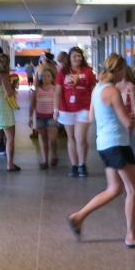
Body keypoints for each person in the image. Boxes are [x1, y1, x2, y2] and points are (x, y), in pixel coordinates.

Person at [66, 54, 135, 248]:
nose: (125, 74)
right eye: (124, 70)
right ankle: (132, 235)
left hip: (104, 143)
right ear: (118, 70)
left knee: (115, 189)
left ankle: (78, 217)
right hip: (117, 144)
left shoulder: (97, 89)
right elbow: (127, 122)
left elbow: (93, 116)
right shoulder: (112, 91)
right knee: (133, 189)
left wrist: (116, 115)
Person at [56, 46, 97, 177]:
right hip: (66, 108)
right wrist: (55, 109)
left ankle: (82, 165)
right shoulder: (62, 73)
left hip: (84, 108)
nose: (77, 58)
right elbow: (58, 92)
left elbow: (93, 90)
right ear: (69, 57)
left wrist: (94, 107)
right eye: (75, 56)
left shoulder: (88, 72)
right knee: (71, 138)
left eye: (79, 56)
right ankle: (74, 165)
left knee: (80, 137)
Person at [30, 66, 59, 168]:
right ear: (40, 78)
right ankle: (45, 160)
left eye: (48, 76)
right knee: (43, 139)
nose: (46, 78)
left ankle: (54, 154)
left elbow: (59, 103)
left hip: (51, 117)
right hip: (40, 117)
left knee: (52, 138)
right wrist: (30, 117)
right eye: (44, 76)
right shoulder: (37, 90)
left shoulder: (55, 89)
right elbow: (33, 104)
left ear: (52, 78)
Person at [116, 66, 135, 138]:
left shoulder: (131, 87)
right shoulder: (115, 85)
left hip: (129, 117)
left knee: (126, 139)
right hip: (117, 116)